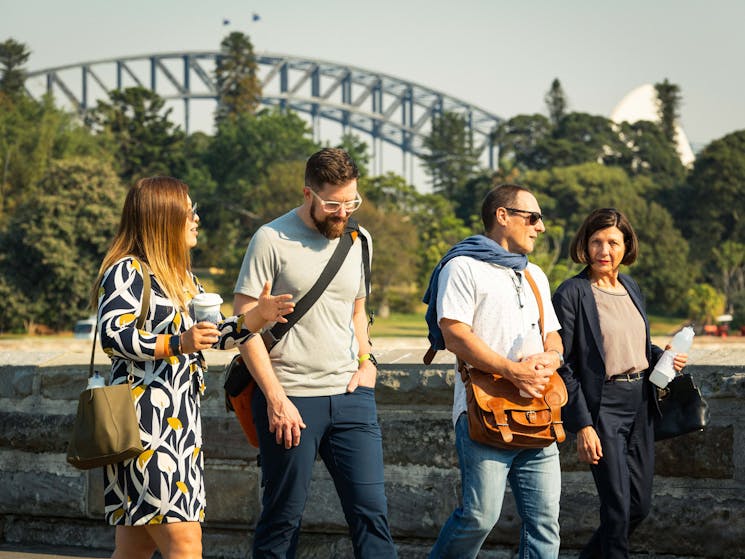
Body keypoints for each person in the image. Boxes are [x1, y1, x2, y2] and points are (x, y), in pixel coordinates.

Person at [93, 176, 294, 559]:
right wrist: (176, 343)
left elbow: (215, 335)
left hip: (179, 430)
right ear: (164, 218)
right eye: (190, 211)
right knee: (186, 545)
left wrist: (256, 317)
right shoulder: (127, 271)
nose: (196, 219)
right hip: (143, 428)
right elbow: (113, 336)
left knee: (133, 548)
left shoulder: (183, 279)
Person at [233, 147, 397, 559]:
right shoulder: (270, 239)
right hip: (289, 397)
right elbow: (243, 327)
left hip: (351, 394)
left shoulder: (360, 240)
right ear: (308, 194)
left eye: (351, 202)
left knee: (372, 515)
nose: (343, 213)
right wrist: (275, 398)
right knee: (282, 517)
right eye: (333, 204)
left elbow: (358, 310)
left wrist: (367, 362)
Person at [425, 183, 564, 559]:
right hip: (484, 413)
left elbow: (553, 337)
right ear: (503, 216)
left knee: (545, 521)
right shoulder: (462, 267)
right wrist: (511, 370)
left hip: (537, 409)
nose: (540, 227)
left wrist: (549, 360)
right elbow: (454, 334)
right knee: (479, 517)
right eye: (533, 217)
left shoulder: (534, 274)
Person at [551, 208, 687, 559]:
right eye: (596, 241)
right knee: (617, 510)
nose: (603, 250)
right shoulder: (572, 294)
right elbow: (563, 366)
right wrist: (583, 425)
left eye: (612, 242)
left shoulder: (630, 287)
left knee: (639, 507)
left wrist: (664, 356)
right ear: (585, 244)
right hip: (603, 409)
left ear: (626, 246)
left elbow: (636, 346)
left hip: (641, 404)